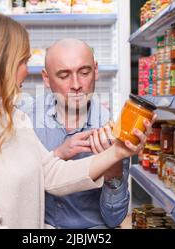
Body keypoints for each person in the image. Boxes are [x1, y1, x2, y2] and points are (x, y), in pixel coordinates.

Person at [0, 12, 154, 229]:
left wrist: (118, 153)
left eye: (84, 72)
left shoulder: (10, 116)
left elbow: (51, 173)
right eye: (22, 61)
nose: (26, 70)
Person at [20, 39, 130, 229]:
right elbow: (14, 188)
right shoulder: (25, 119)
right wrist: (56, 155)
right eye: (64, 76)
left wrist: (114, 172)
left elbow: (115, 219)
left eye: (84, 72)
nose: (76, 84)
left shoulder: (112, 132)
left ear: (95, 70)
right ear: (46, 79)